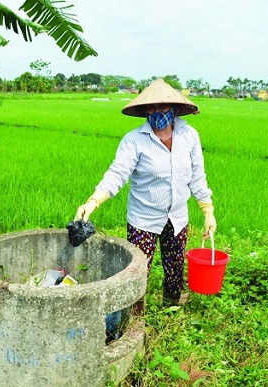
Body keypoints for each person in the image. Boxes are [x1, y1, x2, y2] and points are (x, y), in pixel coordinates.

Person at [74, 79, 216, 308]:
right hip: (144, 219)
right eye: (151, 108)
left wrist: (207, 210)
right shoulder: (134, 140)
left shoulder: (189, 135)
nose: (156, 113)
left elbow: (197, 175)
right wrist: (93, 201)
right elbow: (117, 173)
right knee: (139, 272)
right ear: (144, 111)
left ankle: (172, 309)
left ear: (173, 108)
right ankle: (135, 319)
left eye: (162, 107)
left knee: (175, 269)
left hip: (178, 218)